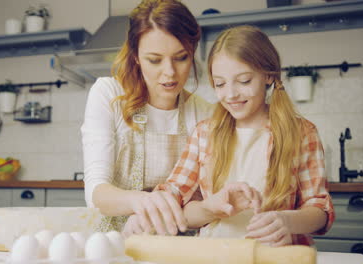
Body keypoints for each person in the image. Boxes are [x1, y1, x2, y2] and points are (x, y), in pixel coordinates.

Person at [152, 25, 335, 246]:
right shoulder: (205, 133)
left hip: (277, 256)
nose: (230, 94)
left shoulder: (302, 133)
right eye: (220, 83)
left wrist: (286, 221)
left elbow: (319, 209)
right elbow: (177, 201)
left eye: (244, 80)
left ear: (268, 75)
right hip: (216, 255)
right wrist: (208, 208)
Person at [81, 0, 214, 235]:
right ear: (136, 57)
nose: (170, 72)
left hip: (181, 244)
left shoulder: (203, 113)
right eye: (154, 60)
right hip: (115, 243)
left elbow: (206, 198)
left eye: (181, 57)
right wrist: (141, 201)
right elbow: (96, 193)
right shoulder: (109, 94)